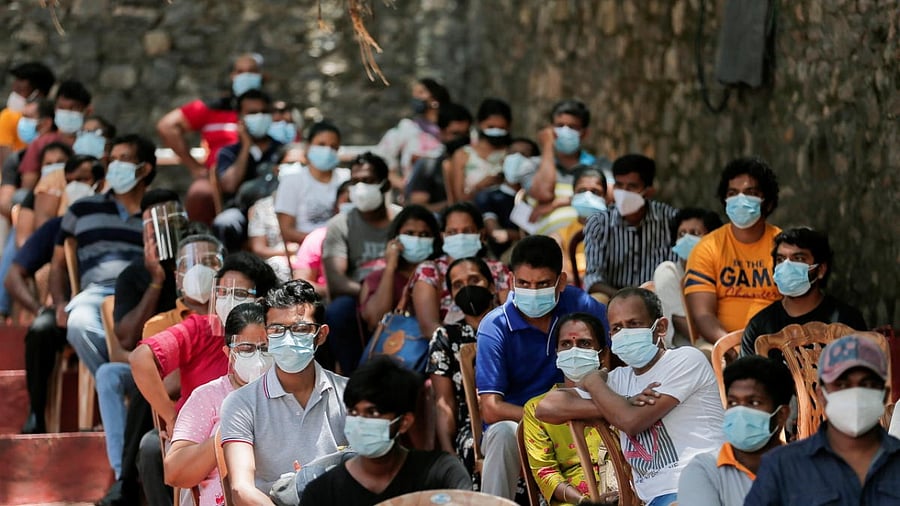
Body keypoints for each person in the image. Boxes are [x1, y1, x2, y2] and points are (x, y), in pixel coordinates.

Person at [535, 287, 724, 506]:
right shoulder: (617, 380)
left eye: (634, 324)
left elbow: (630, 421)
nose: (625, 333)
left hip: (705, 483)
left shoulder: (686, 360)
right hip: (656, 499)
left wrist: (596, 383)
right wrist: (619, 403)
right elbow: (546, 407)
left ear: (660, 327)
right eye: (617, 328)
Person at [475, 235, 608, 500]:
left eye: (543, 284)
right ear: (511, 280)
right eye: (524, 283)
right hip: (521, 422)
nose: (533, 291)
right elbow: (491, 409)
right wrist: (545, 421)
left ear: (561, 282)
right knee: (502, 435)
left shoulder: (580, 305)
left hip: (582, 411)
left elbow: (611, 358)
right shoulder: (495, 327)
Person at [97, 231, 224, 494]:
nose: (198, 269)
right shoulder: (160, 324)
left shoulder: (234, 319)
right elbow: (164, 384)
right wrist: (172, 415)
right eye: (189, 264)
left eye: (209, 261)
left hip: (230, 412)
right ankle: (126, 487)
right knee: (151, 448)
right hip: (183, 418)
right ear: (177, 277)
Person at [221, 279, 349, 501]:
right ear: (266, 336)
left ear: (321, 334)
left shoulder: (348, 394)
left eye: (300, 329)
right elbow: (241, 490)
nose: (288, 338)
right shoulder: (241, 403)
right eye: (277, 329)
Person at [745, 334, 900, 504]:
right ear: (821, 394)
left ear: (883, 394)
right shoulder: (782, 467)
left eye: (867, 384)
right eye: (841, 385)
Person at [49, 134, 154, 378]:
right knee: (78, 325)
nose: (116, 165)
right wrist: (60, 304)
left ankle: (126, 384)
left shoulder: (157, 212)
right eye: (113, 159)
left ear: (144, 168)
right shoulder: (81, 209)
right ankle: (126, 379)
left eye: (124, 159)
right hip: (94, 295)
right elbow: (58, 265)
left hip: (144, 298)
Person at [300, 356, 471, 505]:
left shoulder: (441, 475)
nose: (360, 422)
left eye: (372, 413)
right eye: (353, 412)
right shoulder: (322, 494)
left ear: (404, 422)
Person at [164, 302, 272, 506]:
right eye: (247, 349)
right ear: (229, 353)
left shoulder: (290, 392)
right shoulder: (208, 396)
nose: (258, 356)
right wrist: (228, 433)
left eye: (265, 348)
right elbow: (174, 473)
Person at [684, 157, 783, 345]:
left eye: (750, 192)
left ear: (767, 202)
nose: (740, 199)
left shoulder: (784, 248)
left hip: (775, 345)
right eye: (733, 193)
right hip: (719, 345)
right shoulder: (707, 248)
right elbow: (703, 315)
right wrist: (733, 348)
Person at [156, 53, 262, 225]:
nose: (247, 76)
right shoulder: (213, 107)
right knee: (200, 194)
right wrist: (195, 167)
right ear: (232, 76)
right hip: (218, 180)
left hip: (260, 176)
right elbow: (166, 126)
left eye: (252, 71)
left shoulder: (272, 110)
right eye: (241, 71)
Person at [677, 356, 793, 506]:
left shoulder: (803, 469)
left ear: (781, 415)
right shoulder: (705, 470)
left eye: (754, 402)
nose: (740, 412)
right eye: (733, 403)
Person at [322, 152, 400, 373]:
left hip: (399, 294)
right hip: (357, 297)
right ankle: (352, 378)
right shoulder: (340, 224)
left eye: (367, 181)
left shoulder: (402, 221)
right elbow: (336, 280)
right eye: (355, 182)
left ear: (384, 185)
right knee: (337, 312)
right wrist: (369, 293)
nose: (360, 187)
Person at [522, 312, 610, 506]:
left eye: (585, 344)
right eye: (566, 345)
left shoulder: (620, 398)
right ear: (557, 354)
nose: (574, 351)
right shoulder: (536, 409)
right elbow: (545, 472)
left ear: (602, 354)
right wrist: (586, 501)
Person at [741, 227, 867, 357]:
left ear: (821, 270)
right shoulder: (760, 326)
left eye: (799, 259)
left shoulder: (846, 320)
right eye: (780, 260)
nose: (787, 266)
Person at [427, 256, 500, 479]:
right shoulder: (446, 337)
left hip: (520, 413)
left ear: (491, 284)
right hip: (473, 426)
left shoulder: (512, 326)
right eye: (458, 285)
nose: (466, 288)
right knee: (471, 447)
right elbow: (444, 403)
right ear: (451, 295)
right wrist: (449, 455)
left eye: (474, 280)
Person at [411, 202, 511, 339]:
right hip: (449, 349)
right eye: (452, 232)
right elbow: (429, 326)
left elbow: (510, 317)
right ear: (443, 236)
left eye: (467, 231)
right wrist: (459, 347)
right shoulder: (429, 271)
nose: (460, 237)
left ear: (480, 234)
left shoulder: (497, 269)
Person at [583, 154, 679, 299]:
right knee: (597, 299)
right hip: (614, 299)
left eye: (632, 187)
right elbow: (593, 278)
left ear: (649, 191)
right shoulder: (599, 223)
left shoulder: (670, 220)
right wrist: (628, 299)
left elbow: (674, 272)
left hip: (659, 298)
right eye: (619, 186)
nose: (624, 192)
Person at [212, 89, 283, 252]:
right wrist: (246, 146)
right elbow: (229, 186)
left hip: (275, 213)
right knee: (225, 223)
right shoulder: (229, 152)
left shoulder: (281, 150)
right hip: (241, 214)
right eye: (253, 113)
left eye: (264, 112)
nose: (260, 116)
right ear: (240, 117)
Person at [359, 205, 441, 333]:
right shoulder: (377, 278)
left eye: (424, 234)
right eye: (409, 233)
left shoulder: (442, 275)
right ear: (396, 237)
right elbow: (375, 319)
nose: (417, 239)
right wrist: (390, 266)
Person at [652, 208, 723, 346]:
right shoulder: (669, 272)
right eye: (681, 234)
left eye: (695, 233)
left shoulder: (723, 273)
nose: (686, 239)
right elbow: (688, 328)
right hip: (693, 347)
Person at [275, 121, 350, 247]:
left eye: (333, 147)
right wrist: (322, 243)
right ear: (308, 146)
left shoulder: (347, 178)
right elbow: (287, 231)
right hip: (307, 249)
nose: (327, 150)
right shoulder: (292, 181)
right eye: (321, 144)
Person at [529, 99, 612, 206]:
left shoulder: (600, 165)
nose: (565, 131)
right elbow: (543, 193)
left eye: (572, 127)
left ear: (585, 133)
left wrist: (557, 203)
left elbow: (609, 196)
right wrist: (547, 146)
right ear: (550, 129)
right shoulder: (534, 165)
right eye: (559, 125)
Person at [375, 77, 451, 190]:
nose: (416, 98)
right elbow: (381, 157)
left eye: (421, 92)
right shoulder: (408, 128)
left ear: (436, 97)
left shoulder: (453, 129)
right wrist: (402, 185)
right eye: (414, 93)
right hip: (416, 197)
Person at [18, 80, 92, 191]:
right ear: (55, 109)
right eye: (61, 107)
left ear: (87, 111)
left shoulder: (93, 144)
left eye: (73, 108)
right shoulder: (40, 143)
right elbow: (27, 187)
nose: (67, 113)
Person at [405, 102, 472, 212]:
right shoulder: (429, 166)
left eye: (465, 134)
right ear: (442, 132)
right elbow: (417, 208)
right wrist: (453, 205)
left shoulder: (476, 162)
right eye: (455, 134)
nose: (461, 139)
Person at [445, 98, 511, 203]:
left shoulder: (511, 155)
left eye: (501, 128)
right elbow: (459, 199)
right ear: (480, 123)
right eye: (491, 127)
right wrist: (481, 186)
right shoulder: (463, 155)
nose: (496, 131)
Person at [552, 164, 608, 286]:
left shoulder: (616, 231)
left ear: (605, 197)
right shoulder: (559, 237)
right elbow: (564, 276)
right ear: (573, 196)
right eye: (582, 191)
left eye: (595, 192)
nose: (588, 196)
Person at [293, 180, 352, 296]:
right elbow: (300, 283)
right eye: (348, 201)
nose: (352, 205)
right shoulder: (317, 238)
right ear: (335, 206)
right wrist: (333, 291)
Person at [0, 61, 54, 167]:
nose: (14, 86)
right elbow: (5, 163)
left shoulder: (53, 118)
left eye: (20, 91)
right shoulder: (8, 116)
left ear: (38, 94)